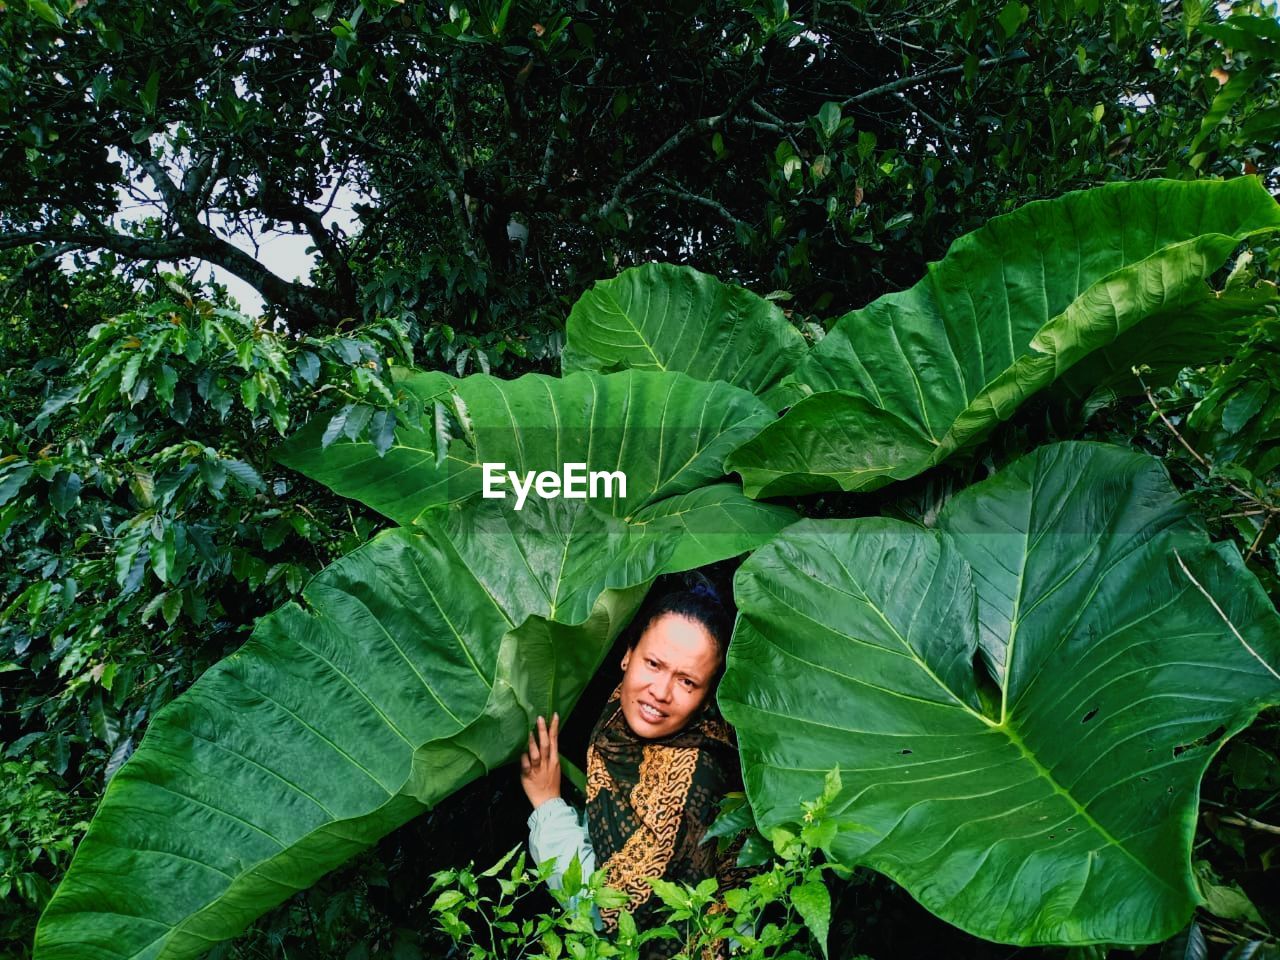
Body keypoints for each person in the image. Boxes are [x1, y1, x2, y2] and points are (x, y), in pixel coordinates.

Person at [520, 576, 745, 954]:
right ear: (627, 655)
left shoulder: (689, 787)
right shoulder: (629, 713)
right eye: (654, 663)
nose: (660, 691)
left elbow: (607, 911)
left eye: (687, 682)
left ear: (707, 698)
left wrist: (547, 805)